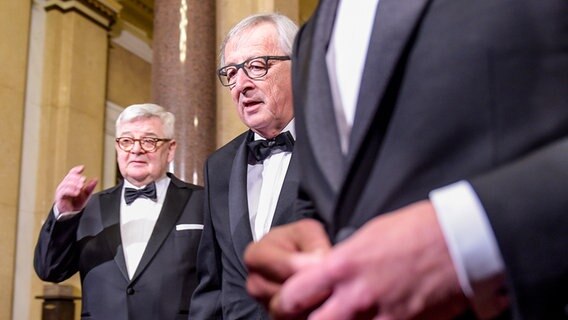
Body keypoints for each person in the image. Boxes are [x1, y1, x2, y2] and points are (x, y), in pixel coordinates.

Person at [245, 1, 568, 319]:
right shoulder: (312, 36)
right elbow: (327, 198)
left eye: (256, 67)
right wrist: (296, 246)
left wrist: (464, 238)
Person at [34, 103, 204, 319]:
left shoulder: (201, 201)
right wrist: (65, 214)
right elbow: (50, 270)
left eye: (149, 141)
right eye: (126, 141)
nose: (135, 149)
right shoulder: (88, 207)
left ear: (170, 149)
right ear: (117, 148)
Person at [189, 13, 300, 320]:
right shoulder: (219, 165)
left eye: (256, 66)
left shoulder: (333, 144)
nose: (241, 85)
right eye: (231, 73)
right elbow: (212, 283)